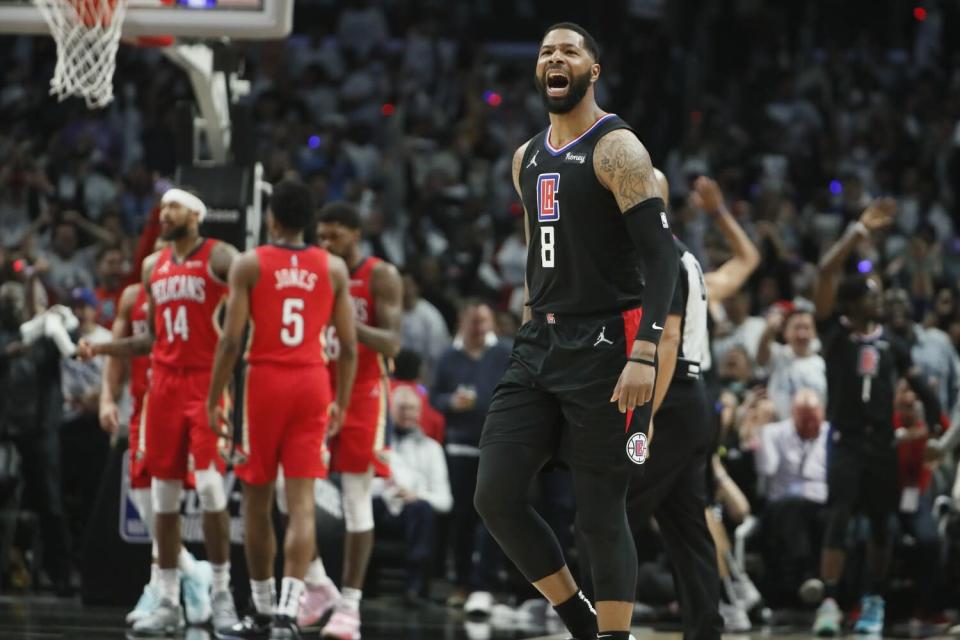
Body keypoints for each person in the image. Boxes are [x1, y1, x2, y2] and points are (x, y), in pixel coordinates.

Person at [472, 23, 680, 640]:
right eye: (545, 51)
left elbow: (662, 257)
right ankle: (577, 620)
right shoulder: (525, 158)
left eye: (569, 50)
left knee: (599, 513)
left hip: (608, 344)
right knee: (496, 496)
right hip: (540, 342)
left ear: (593, 69)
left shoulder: (618, 149)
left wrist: (645, 350)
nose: (554, 58)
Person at [78, 188, 239, 634]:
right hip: (163, 388)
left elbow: (251, 299)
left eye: (173, 207)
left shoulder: (221, 257)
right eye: (162, 207)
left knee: (210, 489)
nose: (164, 214)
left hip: (205, 383)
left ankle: (222, 591)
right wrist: (102, 346)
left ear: (195, 214)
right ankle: (168, 598)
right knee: (161, 499)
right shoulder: (153, 268)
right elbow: (149, 340)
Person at [206, 179, 358, 640]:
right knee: (301, 504)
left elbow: (231, 340)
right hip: (312, 382)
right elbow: (348, 348)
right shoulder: (332, 268)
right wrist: (341, 403)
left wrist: (214, 398)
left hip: (265, 382)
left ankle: (263, 607)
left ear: (271, 218)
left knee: (255, 499)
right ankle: (290, 614)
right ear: (310, 222)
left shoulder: (250, 263)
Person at [810, 199, 942, 636]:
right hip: (845, 440)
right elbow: (826, 273)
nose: (879, 296)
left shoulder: (894, 343)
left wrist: (941, 424)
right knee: (839, 518)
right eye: (871, 291)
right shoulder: (834, 333)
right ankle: (829, 601)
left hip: (883, 445)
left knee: (883, 527)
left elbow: (921, 386)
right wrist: (854, 234)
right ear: (851, 302)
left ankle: (873, 601)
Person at [299, 202, 403, 640]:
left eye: (334, 236)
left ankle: (351, 606)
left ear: (356, 234)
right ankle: (319, 584)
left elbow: (391, 341)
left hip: (364, 393)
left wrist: (346, 325)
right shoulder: (315, 272)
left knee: (356, 499)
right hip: (316, 389)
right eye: (320, 236)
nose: (325, 244)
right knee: (292, 495)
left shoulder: (380, 275)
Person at [99, 271, 214, 626]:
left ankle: (161, 589)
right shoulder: (134, 296)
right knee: (145, 499)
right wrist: (106, 398)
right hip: (144, 403)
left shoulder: (199, 290)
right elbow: (119, 353)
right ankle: (192, 572)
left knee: (167, 498)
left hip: (183, 399)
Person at [431, 300, 511, 612]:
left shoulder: (505, 351)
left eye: (483, 321)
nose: (478, 327)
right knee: (461, 518)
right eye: (473, 321)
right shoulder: (448, 356)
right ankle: (464, 583)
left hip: (496, 448)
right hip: (459, 448)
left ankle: (485, 585)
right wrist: (450, 402)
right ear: (462, 321)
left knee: (492, 519)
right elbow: (432, 396)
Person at [372, 386, 452, 603]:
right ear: (390, 409)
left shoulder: (432, 448)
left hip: (413, 511)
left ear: (420, 412)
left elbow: (445, 501)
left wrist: (417, 495)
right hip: (381, 507)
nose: (407, 413)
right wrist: (387, 490)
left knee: (422, 509)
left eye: (412, 409)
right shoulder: (377, 445)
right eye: (402, 408)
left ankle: (414, 589)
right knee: (363, 505)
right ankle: (361, 586)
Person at [754, 389, 829, 606]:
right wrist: (760, 434)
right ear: (793, 414)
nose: (809, 425)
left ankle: (818, 583)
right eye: (804, 419)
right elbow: (766, 468)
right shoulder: (773, 433)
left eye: (813, 419)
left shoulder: (830, 434)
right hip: (781, 506)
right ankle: (804, 578)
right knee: (792, 508)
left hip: (820, 503)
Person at [756, 308, 827, 420]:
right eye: (797, 327)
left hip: (813, 429)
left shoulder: (822, 363)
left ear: (814, 333)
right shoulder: (778, 355)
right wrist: (769, 331)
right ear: (785, 332)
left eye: (807, 328)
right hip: (779, 428)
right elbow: (761, 358)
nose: (801, 334)